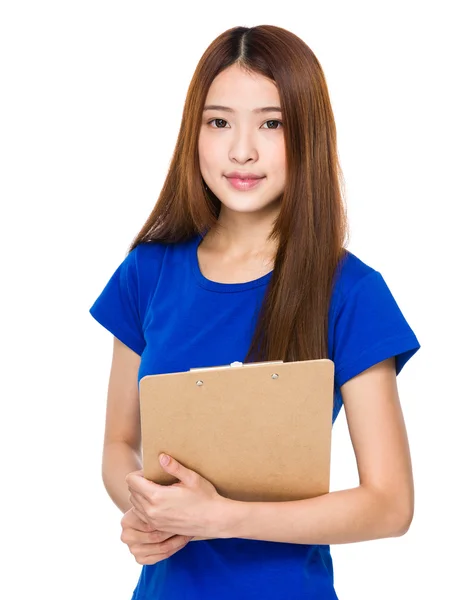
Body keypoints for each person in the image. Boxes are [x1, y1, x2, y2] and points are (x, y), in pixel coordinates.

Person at [89, 24, 420, 600]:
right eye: (219, 122)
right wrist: (147, 511)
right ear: (194, 132)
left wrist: (223, 518)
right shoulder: (147, 273)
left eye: (273, 123)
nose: (242, 150)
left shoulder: (351, 291)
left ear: (308, 136)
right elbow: (120, 445)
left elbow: (390, 505)